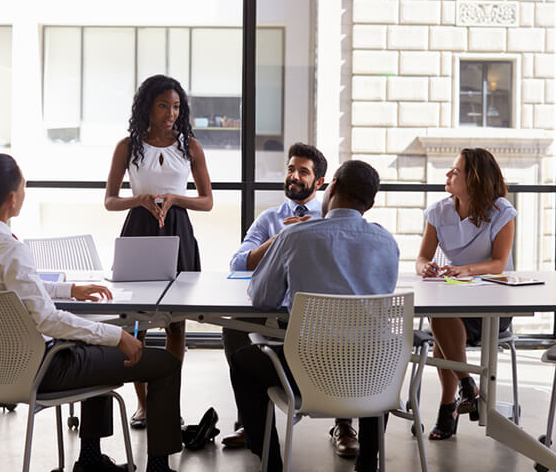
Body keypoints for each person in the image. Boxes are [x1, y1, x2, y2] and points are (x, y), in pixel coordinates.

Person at [0, 154, 182, 472]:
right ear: (12, 198)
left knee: (94, 344)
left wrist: (70, 290)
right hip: (45, 368)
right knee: (165, 363)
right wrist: (119, 336)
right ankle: (158, 468)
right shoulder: (9, 249)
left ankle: (90, 460)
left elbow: (12, 293)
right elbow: (49, 320)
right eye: (24, 187)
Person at [230, 160, 399, 472]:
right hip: (372, 375)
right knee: (376, 354)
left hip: (307, 369)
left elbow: (262, 299)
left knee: (243, 361)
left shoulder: (295, 237)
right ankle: (368, 462)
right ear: (371, 203)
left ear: (331, 186)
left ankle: (271, 463)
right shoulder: (387, 242)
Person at [223, 143, 359, 457]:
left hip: (326, 317)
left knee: (346, 332)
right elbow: (239, 262)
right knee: (233, 329)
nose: (293, 176)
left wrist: (310, 234)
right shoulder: (269, 218)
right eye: (290, 169)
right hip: (277, 314)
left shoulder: (333, 219)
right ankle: (250, 420)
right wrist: (282, 239)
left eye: (303, 171)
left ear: (320, 182)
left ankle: (344, 424)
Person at [105, 74, 213, 428]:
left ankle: (168, 402)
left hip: (178, 230)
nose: (171, 113)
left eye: (176, 106)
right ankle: (144, 403)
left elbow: (207, 201)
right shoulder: (127, 146)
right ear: (147, 107)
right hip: (139, 230)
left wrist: (175, 198)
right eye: (163, 105)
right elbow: (109, 201)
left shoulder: (190, 147)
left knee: (176, 325)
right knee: (136, 323)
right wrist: (139, 199)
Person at [415, 147, 516, 441]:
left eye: (456, 171)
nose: (448, 175)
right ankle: (467, 386)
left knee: (441, 341)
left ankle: (450, 406)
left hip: (493, 304)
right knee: (440, 314)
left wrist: (466, 270)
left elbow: (499, 263)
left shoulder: (501, 213)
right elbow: (421, 257)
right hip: (455, 300)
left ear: (473, 180)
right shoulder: (438, 211)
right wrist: (426, 268)